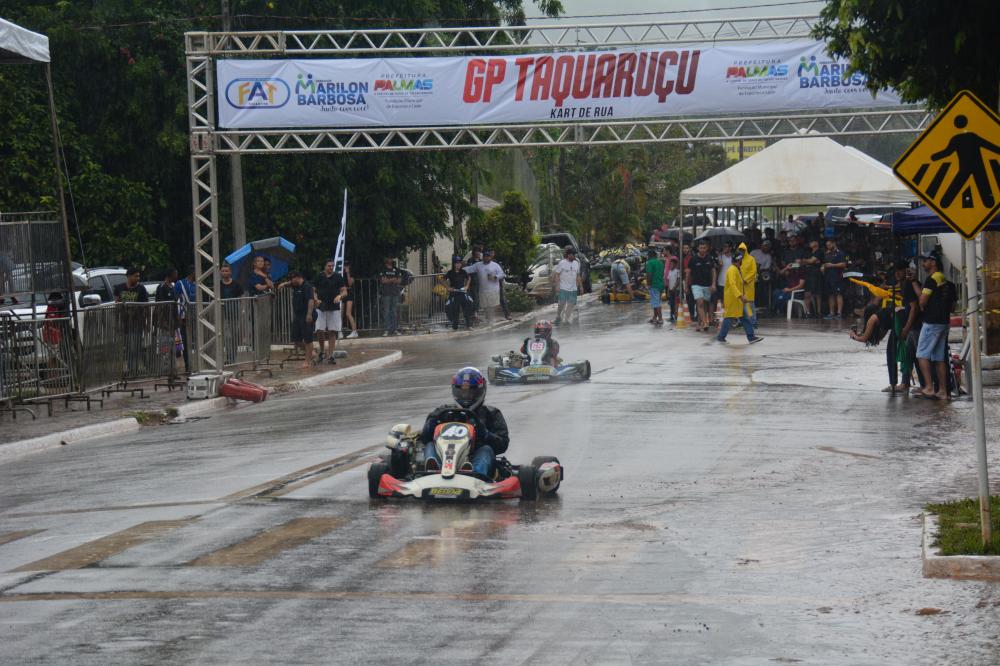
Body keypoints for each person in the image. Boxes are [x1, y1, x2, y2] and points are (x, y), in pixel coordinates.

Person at [420, 367, 510, 479]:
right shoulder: (442, 412)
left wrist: (486, 434)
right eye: (462, 392)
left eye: (470, 392)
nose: (466, 396)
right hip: (443, 457)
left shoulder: (491, 414)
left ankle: (474, 474)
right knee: (429, 445)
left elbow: (503, 444)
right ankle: (433, 471)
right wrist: (431, 425)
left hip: (474, 457)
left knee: (486, 450)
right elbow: (424, 439)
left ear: (480, 391)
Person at [915, 252, 956, 400]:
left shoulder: (932, 280)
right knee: (939, 358)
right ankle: (943, 391)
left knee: (921, 355)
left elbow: (922, 301)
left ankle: (929, 387)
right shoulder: (946, 280)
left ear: (933, 262)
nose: (923, 264)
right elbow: (952, 307)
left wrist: (921, 302)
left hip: (932, 323)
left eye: (925, 261)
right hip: (944, 323)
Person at [717, 252, 763, 344]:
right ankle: (721, 337)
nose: (742, 261)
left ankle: (751, 337)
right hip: (733, 299)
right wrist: (740, 295)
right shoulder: (732, 270)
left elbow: (739, 284)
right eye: (741, 260)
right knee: (729, 317)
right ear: (738, 260)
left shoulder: (736, 269)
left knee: (744, 318)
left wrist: (742, 295)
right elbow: (733, 284)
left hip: (737, 300)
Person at [114, 267, 150, 375]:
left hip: (137, 322)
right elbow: (117, 304)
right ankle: (132, 369)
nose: (138, 278)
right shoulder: (119, 288)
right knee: (129, 346)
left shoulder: (141, 289)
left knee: (137, 346)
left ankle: (143, 367)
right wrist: (117, 321)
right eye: (136, 276)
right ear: (129, 276)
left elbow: (146, 307)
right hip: (125, 323)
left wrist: (146, 323)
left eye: (138, 276)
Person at [313, 260, 347, 364]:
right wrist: (316, 299)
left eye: (332, 266)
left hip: (334, 307)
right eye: (329, 266)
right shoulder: (319, 276)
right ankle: (322, 351)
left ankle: (331, 354)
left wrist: (340, 296)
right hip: (321, 307)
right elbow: (313, 290)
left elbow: (344, 291)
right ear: (325, 266)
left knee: (332, 331)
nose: (331, 268)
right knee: (319, 330)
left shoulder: (337, 277)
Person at [281, 271, 315, 368]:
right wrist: (283, 284)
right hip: (298, 315)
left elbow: (311, 300)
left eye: (292, 279)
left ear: (298, 277)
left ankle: (307, 361)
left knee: (308, 338)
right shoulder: (295, 285)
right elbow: (289, 284)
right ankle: (311, 352)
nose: (291, 281)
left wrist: (309, 314)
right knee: (296, 339)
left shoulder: (306, 286)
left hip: (307, 314)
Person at [686, 240, 716, 332]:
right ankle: (705, 322)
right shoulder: (693, 259)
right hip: (696, 285)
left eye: (704, 248)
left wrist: (713, 284)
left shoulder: (710, 258)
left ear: (706, 248)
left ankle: (699, 323)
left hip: (707, 285)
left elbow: (713, 271)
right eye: (701, 248)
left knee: (705, 306)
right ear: (698, 248)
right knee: (700, 303)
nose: (702, 250)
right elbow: (688, 273)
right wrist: (686, 286)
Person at [471, 249, 506, 327]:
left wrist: (495, 277)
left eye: (488, 256)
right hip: (483, 290)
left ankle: (491, 320)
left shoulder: (495, 265)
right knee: (485, 306)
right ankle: (489, 319)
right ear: (483, 257)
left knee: (492, 305)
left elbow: (502, 274)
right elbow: (470, 269)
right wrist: (459, 269)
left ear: (490, 257)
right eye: (484, 256)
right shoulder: (478, 265)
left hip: (493, 290)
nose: (486, 258)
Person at [219, 263, 244, 365]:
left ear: (230, 272)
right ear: (220, 272)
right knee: (227, 336)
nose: (225, 273)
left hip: (234, 313)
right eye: (223, 271)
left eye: (226, 271)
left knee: (234, 336)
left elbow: (241, 296)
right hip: (223, 314)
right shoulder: (218, 284)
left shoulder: (236, 284)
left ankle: (233, 357)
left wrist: (242, 309)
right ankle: (229, 357)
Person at [174, 266, 197, 373]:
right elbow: (176, 301)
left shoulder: (197, 285)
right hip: (184, 318)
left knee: (197, 342)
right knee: (186, 343)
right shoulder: (180, 284)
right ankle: (188, 367)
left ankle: (197, 365)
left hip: (196, 317)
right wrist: (179, 317)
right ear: (193, 273)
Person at [553, 246, 582, 327]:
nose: (574, 256)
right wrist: (557, 285)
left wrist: (581, 286)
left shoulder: (576, 263)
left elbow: (578, 275)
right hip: (563, 287)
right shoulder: (562, 263)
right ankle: (558, 316)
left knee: (570, 304)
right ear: (568, 255)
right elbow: (557, 274)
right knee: (561, 304)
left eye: (574, 255)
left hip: (573, 288)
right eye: (572, 255)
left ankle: (566, 320)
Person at [444, 256, 474, 330]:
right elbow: (441, 279)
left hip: (462, 293)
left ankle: (469, 326)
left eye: (459, 263)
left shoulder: (463, 271)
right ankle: (455, 327)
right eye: (457, 263)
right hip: (454, 293)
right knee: (455, 311)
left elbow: (469, 278)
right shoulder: (450, 272)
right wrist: (448, 287)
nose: (458, 265)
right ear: (454, 264)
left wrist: (466, 286)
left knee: (466, 309)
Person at [822, 239, 847, 319]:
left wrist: (832, 265)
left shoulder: (840, 253)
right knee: (830, 295)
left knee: (838, 294)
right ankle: (831, 313)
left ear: (834, 243)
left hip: (837, 277)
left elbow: (843, 264)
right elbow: (825, 263)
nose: (828, 246)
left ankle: (839, 313)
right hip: (828, 277)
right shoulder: (827, 253)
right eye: (827, 245)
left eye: (829, 245)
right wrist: (822, 267)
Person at [378, 257, 403, 336]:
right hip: (386, 293)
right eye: (388, 258)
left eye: (391, 258)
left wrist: (389, 280)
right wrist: (393, 279)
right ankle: (387, 329)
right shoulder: (383, 270)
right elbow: (383, 280)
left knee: (394, 311)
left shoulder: (396, 269)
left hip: (395, 293)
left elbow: (399, 280)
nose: (390, 259)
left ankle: (394, 329)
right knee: (386, 311)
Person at [802, 239, 824, 318]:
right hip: (808, 275)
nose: (810, 243)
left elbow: (811, 261)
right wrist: (808, 261)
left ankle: (818, 312)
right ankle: (808, 312)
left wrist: (808, 261)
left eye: (812, 242)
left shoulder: (819, 252)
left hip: (816, 275)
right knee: (807, 293)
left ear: (816, 243)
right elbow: (804, 261)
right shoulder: (809, 252)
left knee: (817, 294)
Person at [738, 241, 757, 326]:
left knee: (750, 304)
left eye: (743, 250)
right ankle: (741, 321)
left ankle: (753, 322)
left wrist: (746, 280)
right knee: (740, 303)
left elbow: (753, 271)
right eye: (740, 250)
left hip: (748, 285)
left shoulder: (751, 259)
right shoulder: (738, 259)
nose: (741, 251)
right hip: (739, 285)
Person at [712, 242, 733, 321]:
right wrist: (719, 265)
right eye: (724, 246)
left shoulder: (733, 257)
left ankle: (728, 315)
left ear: (730, 248)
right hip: (721, 280)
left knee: (729, 299)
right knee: (722, 299)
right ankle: (722, 315)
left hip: (731, 281)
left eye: (726, 246)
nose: (725, 248)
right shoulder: (720, 256)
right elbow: (717, 269)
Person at [644, 248, 665, 325]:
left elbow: (649, 274)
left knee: (656, 302)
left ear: (649, 256)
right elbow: (662, 274)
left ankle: (660, 318)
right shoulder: (660, 263)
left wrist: (649, 284)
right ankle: (654, 317)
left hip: (654, 284)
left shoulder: (650, 263)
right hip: (660, 284)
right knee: (656, 301)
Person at [341, 260, 358, 339]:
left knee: (348, 313)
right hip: (341, 293)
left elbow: (350, 283)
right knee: (340, 314)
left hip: (349, 292)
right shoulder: (340, 273)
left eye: (347, 265)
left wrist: (348, 273)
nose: (345, 266)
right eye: (344, 265)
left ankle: (354, 331)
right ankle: (339, 331)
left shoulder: (350, 273)